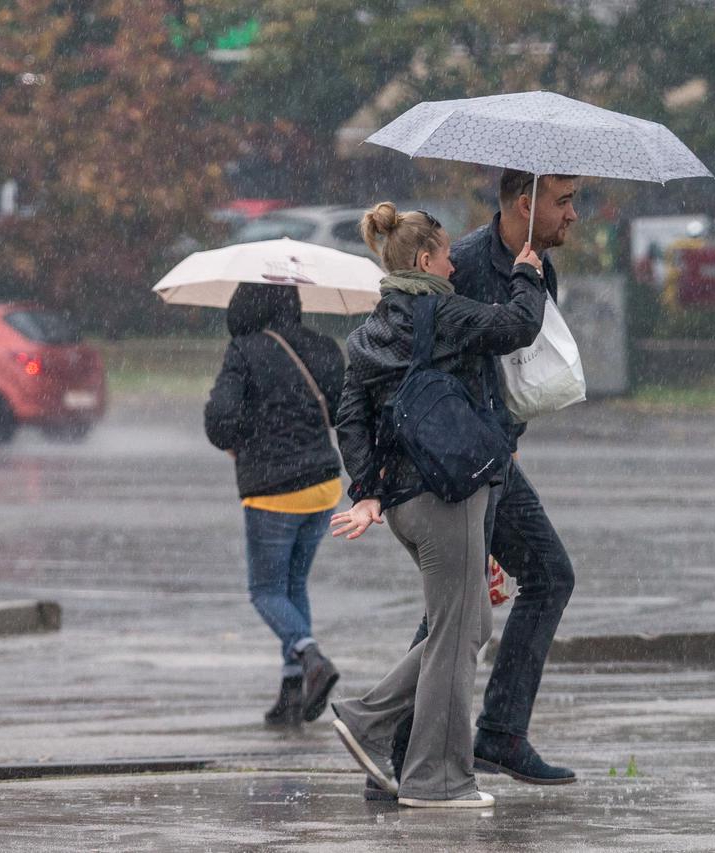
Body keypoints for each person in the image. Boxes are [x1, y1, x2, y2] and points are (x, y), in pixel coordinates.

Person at [370, 171, 581, 796]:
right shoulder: (459, 265)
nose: (574, 216)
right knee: (455, 609)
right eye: (565, 202)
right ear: (526, 203)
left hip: (495, 455)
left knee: (547, 576)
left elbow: (514, 370)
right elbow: (418, 365)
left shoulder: (535, 265)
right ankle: (400, 752)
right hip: (457, 466)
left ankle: (500, 734)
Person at [328, 202, 546, 808]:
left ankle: (368, 717)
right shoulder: (441, 310)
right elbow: (515, 328)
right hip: (449, 492)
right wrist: (528, 273)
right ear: (424, 259)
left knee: (468, 624)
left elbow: (350, 416)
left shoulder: (370, 331)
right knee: (456, 634)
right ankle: (437, 779)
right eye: (447, 255)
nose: (454, 266)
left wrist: (369, 490)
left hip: (402, 502)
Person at [204, 282, 345, 727]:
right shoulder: (324, 347)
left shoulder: (244, 350)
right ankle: (291, 691)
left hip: (272, 489)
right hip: (323, 485)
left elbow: (221, 419)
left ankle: (309, 656)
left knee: (265, 592)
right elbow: (342, 409)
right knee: (292, 585)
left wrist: (242, 438)